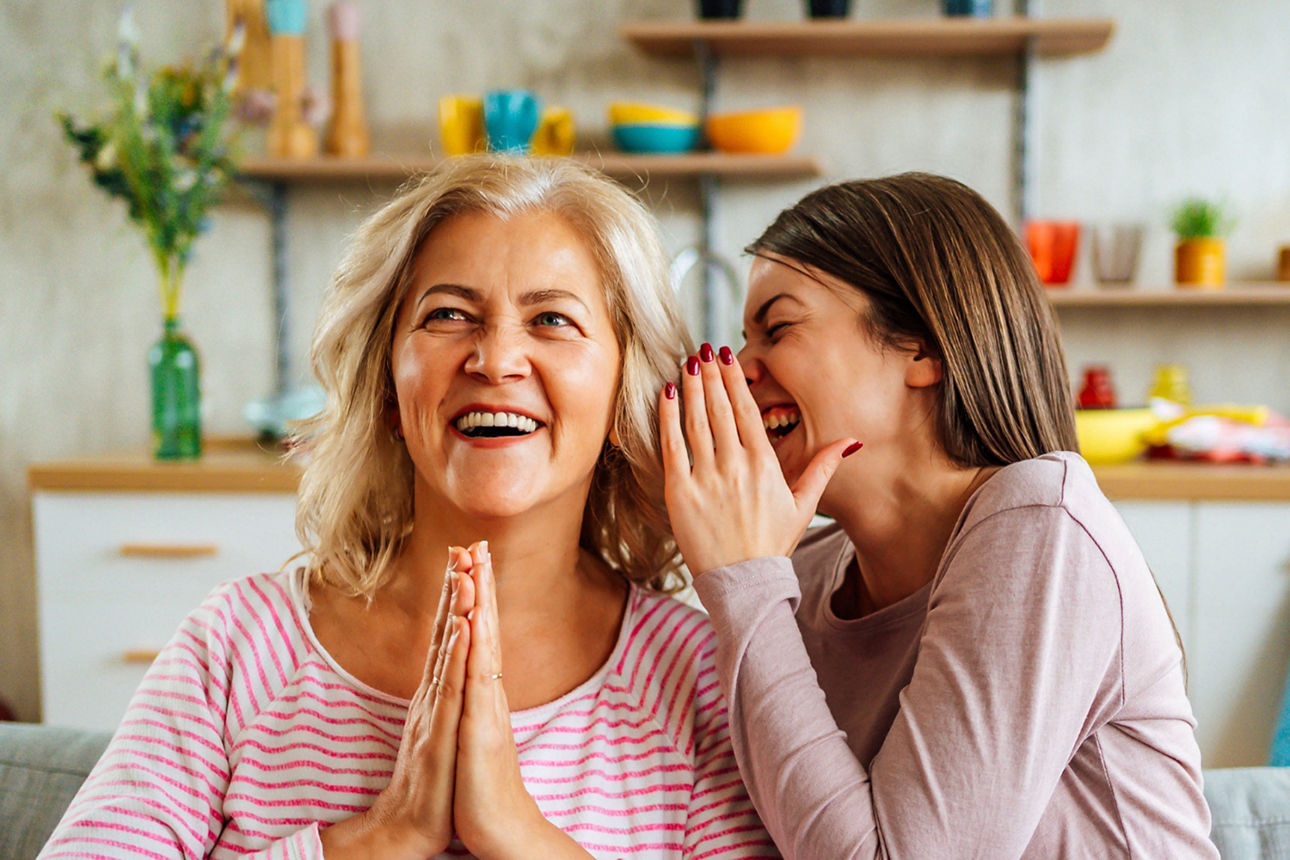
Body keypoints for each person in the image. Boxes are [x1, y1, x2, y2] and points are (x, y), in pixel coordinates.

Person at [41, 155, 775, 859]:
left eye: (552, 320)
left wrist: (519, 835)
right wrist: (381, 836)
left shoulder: (699, 679)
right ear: (388, 389)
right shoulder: (235, 647)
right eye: (449, 314)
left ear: (623, 393)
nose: (495, 360)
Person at [658, 173, 1217, 857]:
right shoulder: (794, 578)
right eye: (743, 339)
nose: (741, 369)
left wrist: (746, 585)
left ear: (922, 347)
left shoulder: (1042, 521)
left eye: (777, 329)